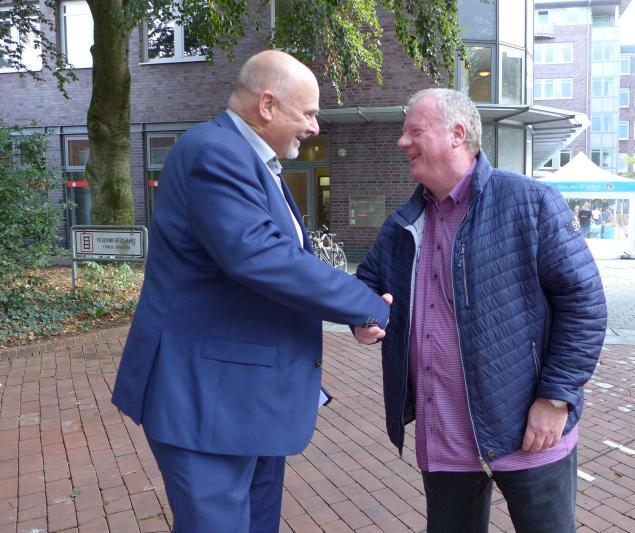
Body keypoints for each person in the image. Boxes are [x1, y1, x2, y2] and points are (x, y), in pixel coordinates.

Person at [111, 50, 391, 533]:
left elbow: (282, 263)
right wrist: (366, 306)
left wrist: (354, 314)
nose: (314, 127)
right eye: (308, 113)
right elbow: (261, 257)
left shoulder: (254, 162)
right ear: (267, 105)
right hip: (205, 399)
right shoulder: (214, 152)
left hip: (245, 397)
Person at [355, 88, 607, 533]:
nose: (401, 142)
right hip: (444, 435)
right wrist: (362, 316)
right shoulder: (403, 224)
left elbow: (584, 302)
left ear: (457, 134)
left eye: (414, 131)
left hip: (528, 431)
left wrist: (556, 398)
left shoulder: (530, 203)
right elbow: (365, 285)